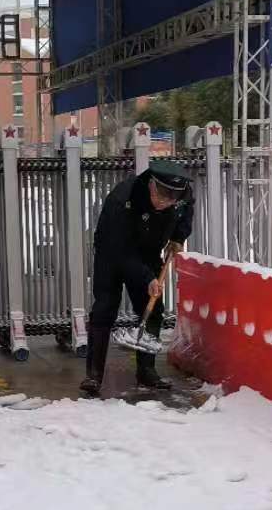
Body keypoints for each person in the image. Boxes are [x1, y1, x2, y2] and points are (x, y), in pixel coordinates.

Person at [81, 161, 194, 398]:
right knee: (104, 308)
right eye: (162, 198)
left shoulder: (180, 195)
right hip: (113, 251)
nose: (166, 203)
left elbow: (186, 210)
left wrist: (178, 237)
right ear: (151, 185)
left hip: (148, 250)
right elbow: (122, 253)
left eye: (171, 200)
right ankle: (93, 376)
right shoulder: (123, 200)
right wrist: (148, 278)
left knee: (153, 310)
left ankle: (147, 370)